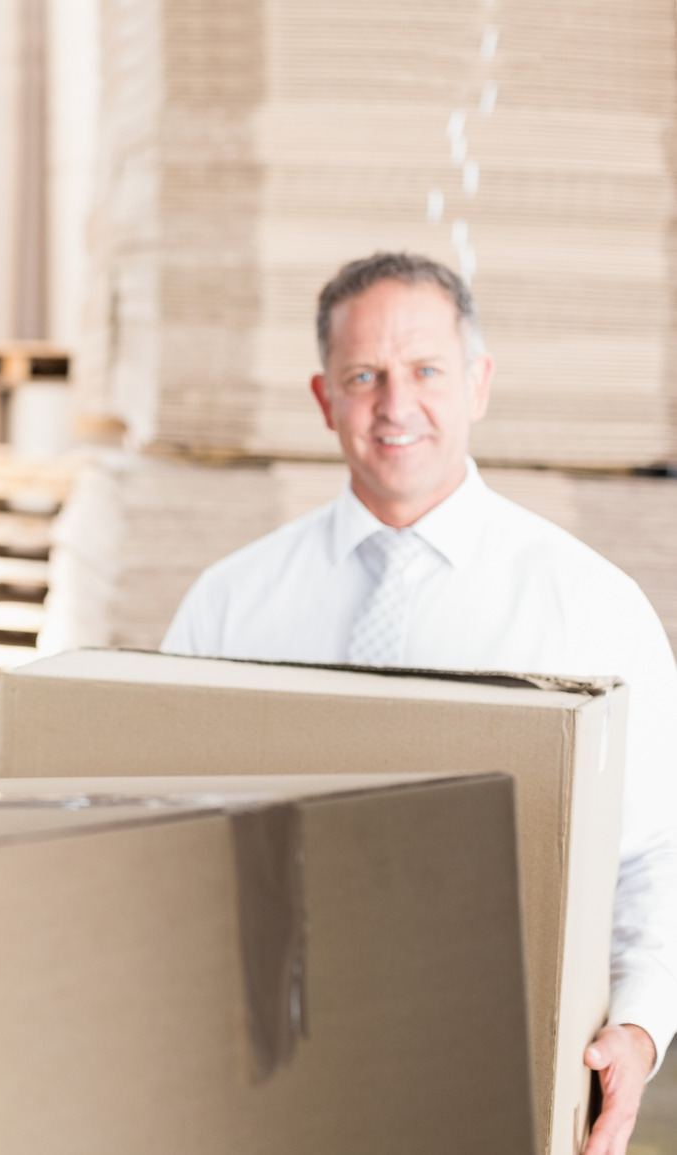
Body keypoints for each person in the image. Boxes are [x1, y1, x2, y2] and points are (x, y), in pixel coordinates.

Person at [163, 251, 677, 1155]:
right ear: (324, 399)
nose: (395, 404)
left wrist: (637, 1028)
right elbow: (158, 835)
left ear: (478, 384)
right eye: (363, 376)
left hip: (500, 1063)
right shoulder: (231, 603)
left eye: (425, 370)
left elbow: (655, 852)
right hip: (263, 1075)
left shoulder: (589, 607)